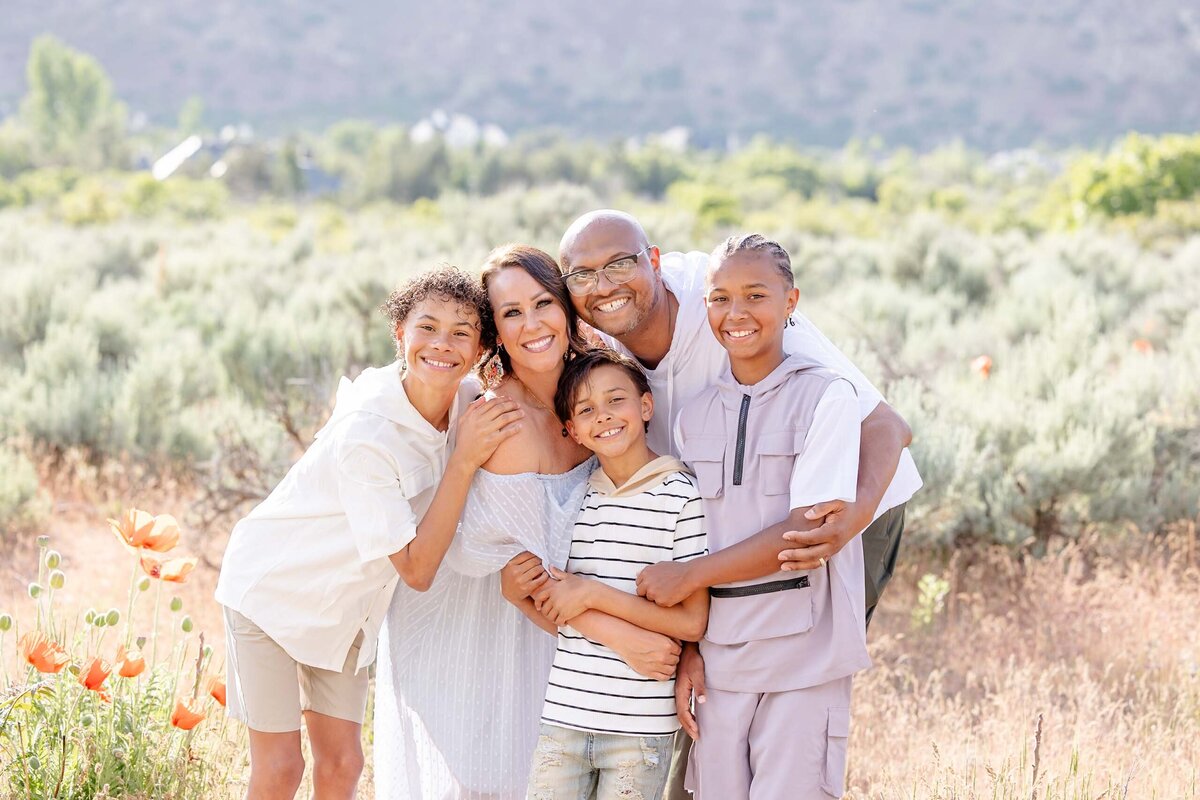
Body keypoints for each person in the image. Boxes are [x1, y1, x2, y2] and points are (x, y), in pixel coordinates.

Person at [557, 210, 922, 797]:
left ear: (653, 263)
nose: (603, 285)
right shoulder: (594, 331)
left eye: (620, 264)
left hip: (850, 505)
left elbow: (884, 425)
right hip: (727, 530)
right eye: (583, 275)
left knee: (796, 695)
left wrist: (846, 523)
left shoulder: (732, 295)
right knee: (713, 712)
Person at [373, 246, 682, 800]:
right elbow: (522, 573)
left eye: (543, 303)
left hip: (568, 634)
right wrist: (623, 639)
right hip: (488, 643)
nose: (533, 324)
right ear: (495, 332)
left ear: (567, 310)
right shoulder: (499, 421)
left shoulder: (598, 397)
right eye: (511, 313)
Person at [214, 266, 523, 800]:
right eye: (426, 327)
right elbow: (417, 569)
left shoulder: (463, 399)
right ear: (399, 333)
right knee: (282, 766)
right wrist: (464, 462)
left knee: (342, 766)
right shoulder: (369, 436)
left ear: (479, 349)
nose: (442, 345)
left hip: (342, 607)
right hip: (271, 594)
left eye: (461, 332)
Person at [654, 234, 868, 798]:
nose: (737, 313)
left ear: (791, 302)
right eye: (720, 298)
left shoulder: (827, 398)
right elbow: (691, 542)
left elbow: (806, 533)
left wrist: (690, 578)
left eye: (756, 295)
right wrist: (691, 652)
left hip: (803, 655)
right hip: (721, 664)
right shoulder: (692, 419)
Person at [502, 348, 708, 800]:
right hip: (564, 716)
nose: (605, 417)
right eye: (586, 410)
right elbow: (553, 605)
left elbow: (693, 622)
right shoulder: (573, 500)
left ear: (645, 406)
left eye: (616, 400)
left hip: (640, 731)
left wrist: (593, 594)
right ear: (572, 429)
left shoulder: (682, 497)